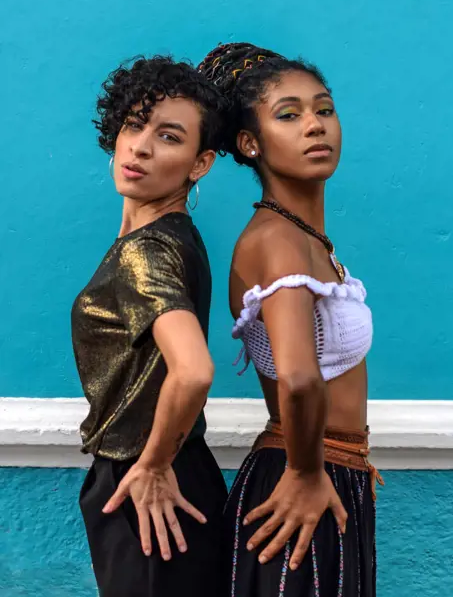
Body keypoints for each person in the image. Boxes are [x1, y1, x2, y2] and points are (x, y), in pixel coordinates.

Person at [199, 43, 382, 596]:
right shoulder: (279, 240)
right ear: (250, 144)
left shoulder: (303, 239)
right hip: (301, 478)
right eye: (289, 114)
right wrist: (305, 475)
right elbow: (300, 380)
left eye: (323, 109)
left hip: (326, 473)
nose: (315, 126)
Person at [72, 56, 228, 597]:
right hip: (171, 477)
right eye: (133, 125)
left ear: (199, 163)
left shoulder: (149, 251)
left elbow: (193, 371)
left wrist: (154, 463)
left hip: (149, 488)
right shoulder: (174, 235)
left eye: (168, 136)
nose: (140, 147)